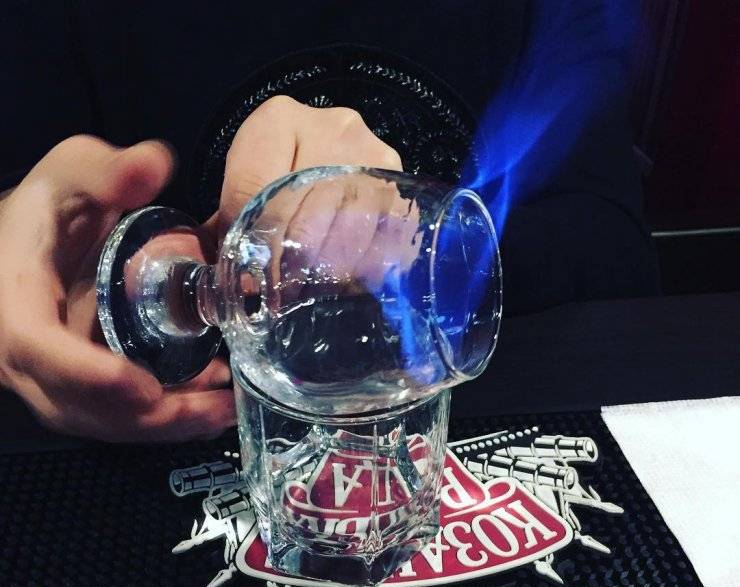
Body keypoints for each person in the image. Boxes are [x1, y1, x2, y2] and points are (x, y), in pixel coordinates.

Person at [0, 1, 659, 443]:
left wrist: (409, 248)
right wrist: (50, 278)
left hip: (462, 454)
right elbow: (30, 211)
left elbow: (614, 252)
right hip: (134, 484)